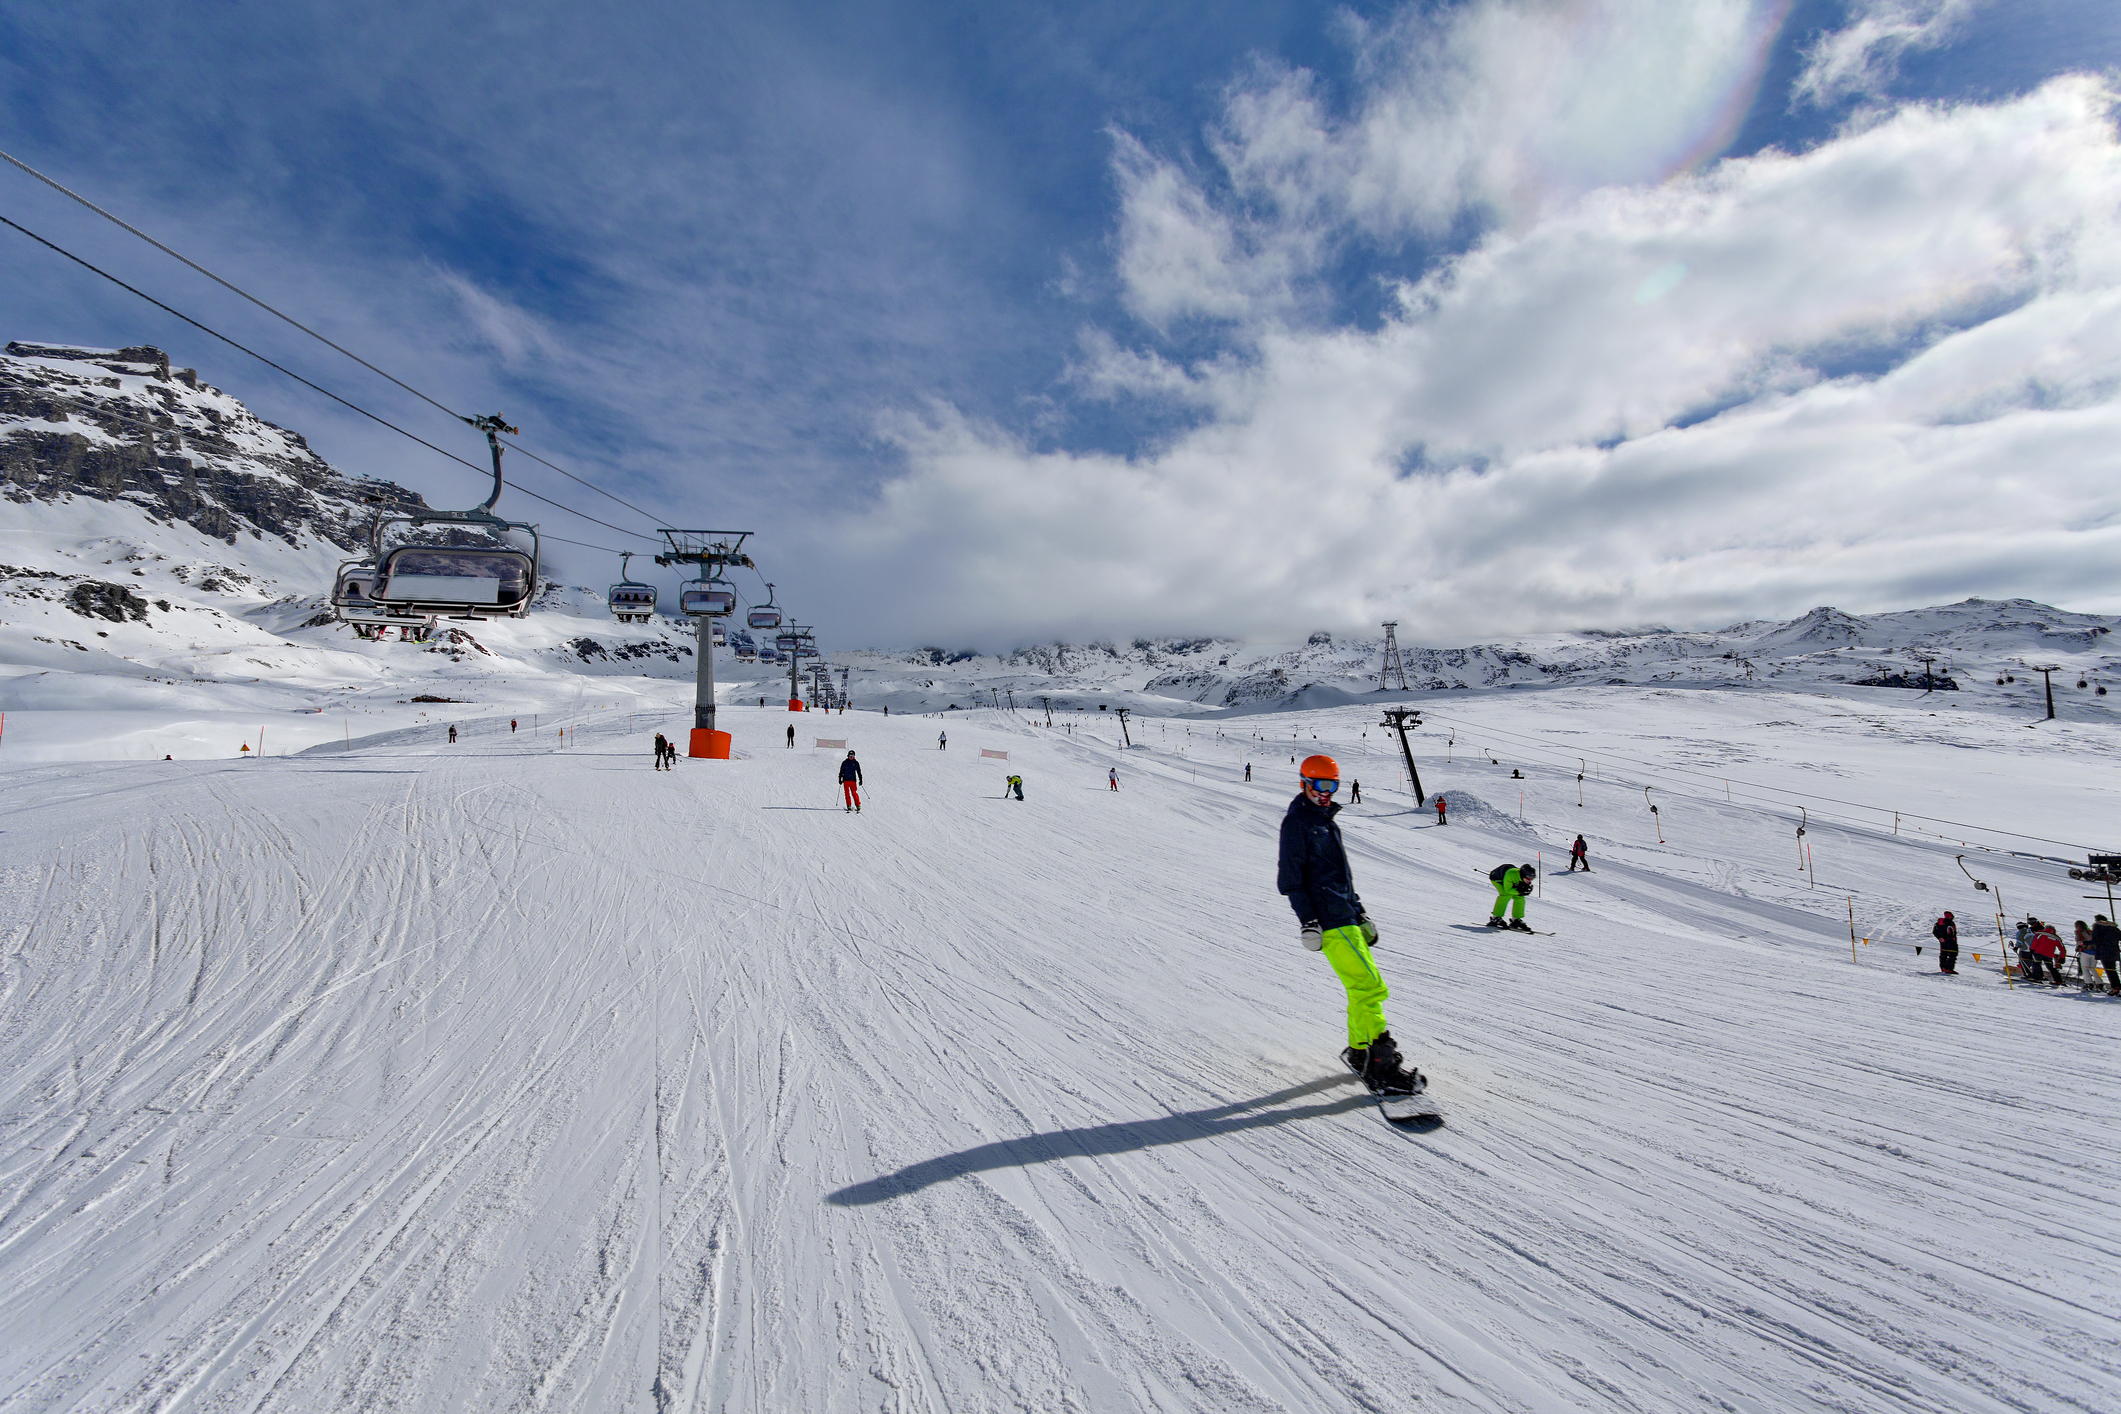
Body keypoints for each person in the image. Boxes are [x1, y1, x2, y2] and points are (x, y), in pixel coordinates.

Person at [1276, 754, 1422, 1097]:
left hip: (1345, 915)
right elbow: (1290, 879)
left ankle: (1360, 1052)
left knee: (1363, 988)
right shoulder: (1298, 823)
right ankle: (1381, 1066)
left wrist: (1359, 912)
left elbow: (1341, 875)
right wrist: (1307, 920)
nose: (1326, 792)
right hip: (1328, 921)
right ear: (1305, 783)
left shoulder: (1325, 821)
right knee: (1370, 987)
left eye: (1332, 786)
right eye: (1320, 785)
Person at [1486, 862, 1535, 931]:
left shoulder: (1524, 877)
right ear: (1523, 874)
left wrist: (1523, 891)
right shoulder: (1511, 874)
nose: (1529, 880)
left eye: (1532, 878)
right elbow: (1507, 890)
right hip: (1497, 879)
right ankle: (1496, 918)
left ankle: (1516, 919)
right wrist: (1519, 891)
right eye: (1528, 877)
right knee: (1505, 895)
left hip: (1508, 880)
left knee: (1520, 897)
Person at [2090, 914, 2121, 995]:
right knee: (2112, 970)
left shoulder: (2098, 927)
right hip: (2114, 952)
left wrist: (2083, 943)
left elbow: (2095, 940)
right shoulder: (2113, 927)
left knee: (2109, 970)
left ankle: (2115, 988)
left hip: (2104, 952)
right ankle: (2117, 987)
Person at [2029, 919, 2065, 984]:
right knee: (2050, 967)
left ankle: (2037, 978)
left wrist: (2031, 949)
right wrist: (2062, 957)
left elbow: (2035, 942)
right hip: (2048, 954)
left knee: (2036, 964)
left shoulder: (2040, 934)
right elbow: (2062, 948)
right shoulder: (2056, 938)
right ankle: (2058, 980)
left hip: (2038, 952)